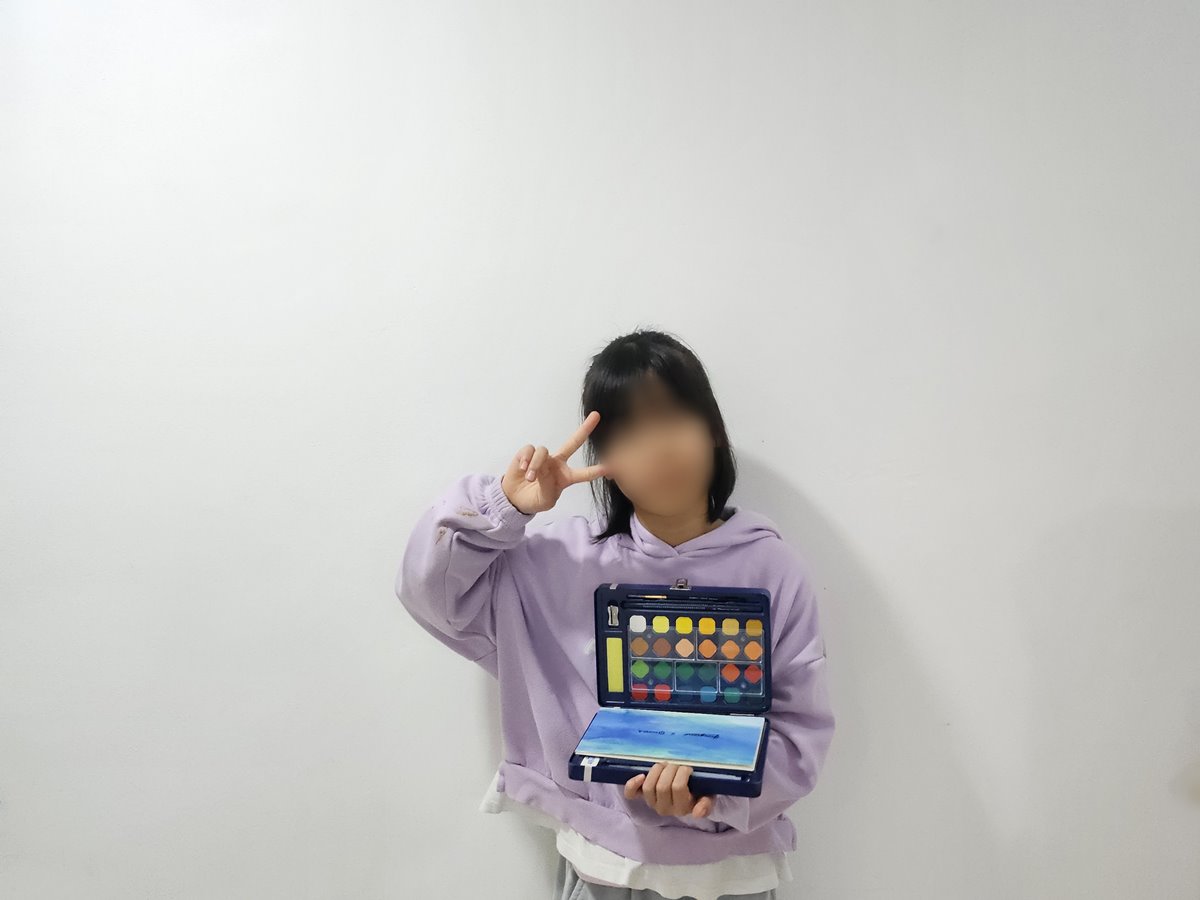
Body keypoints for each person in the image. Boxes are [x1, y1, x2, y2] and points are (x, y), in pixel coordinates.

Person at [396, 328, 836, 900]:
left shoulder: (774, 568)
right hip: (601, 866)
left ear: (713, 429)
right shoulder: (558, 563)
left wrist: (712, 791)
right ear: (603, 460)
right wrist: (504, 507)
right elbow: (430, 592)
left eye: (674, 415)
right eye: (628, 429)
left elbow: (801, 733)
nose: (657, 446)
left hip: (734, 874)